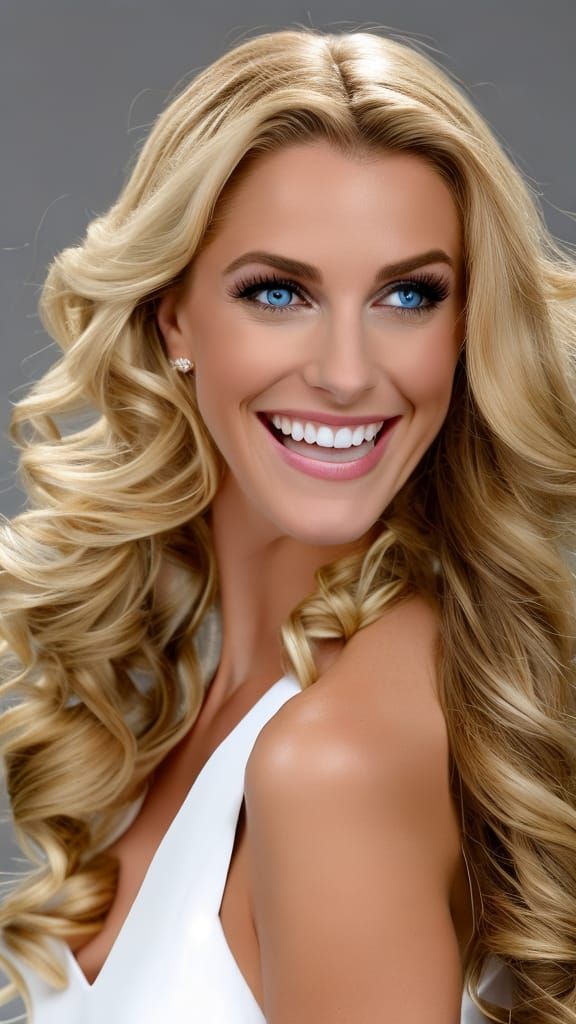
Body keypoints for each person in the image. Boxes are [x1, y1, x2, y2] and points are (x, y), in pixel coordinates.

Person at [0, 24, 575, 1024]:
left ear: (465, 330)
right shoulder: (194, 703)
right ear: (175, 316)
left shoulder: (335, 758)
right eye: (279, 292)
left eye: (408, 294)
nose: (347, 373)